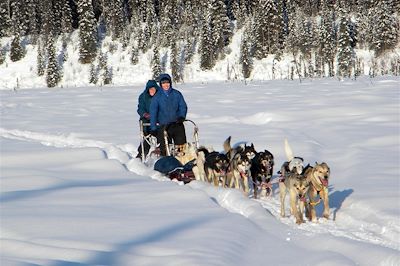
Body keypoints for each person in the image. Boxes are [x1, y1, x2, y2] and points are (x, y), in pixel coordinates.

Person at [149, 73, 187, 156]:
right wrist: (153, 127)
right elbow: (153, 113)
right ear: (160, 84)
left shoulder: (177, 94)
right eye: (163, 83)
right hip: (164, 125)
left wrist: (182, 116)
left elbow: (182, 106)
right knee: (165, 148)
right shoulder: (157, 97)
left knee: (181, 147)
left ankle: (182, 163)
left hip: (177, 123)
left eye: (167, 82)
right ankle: (166, 163)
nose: (166, 85)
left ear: (170, 83)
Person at [136, 80, 159, 160]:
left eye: (153, 89)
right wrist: (145, 114)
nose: (152, 90)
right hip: (147, 120)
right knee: (146, 138)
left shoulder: (160, 96)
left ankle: (162, 152)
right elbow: (140, 109)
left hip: (158, 120)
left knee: (161, 136)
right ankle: (141, 154)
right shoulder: (143, 97)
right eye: (150, 89)